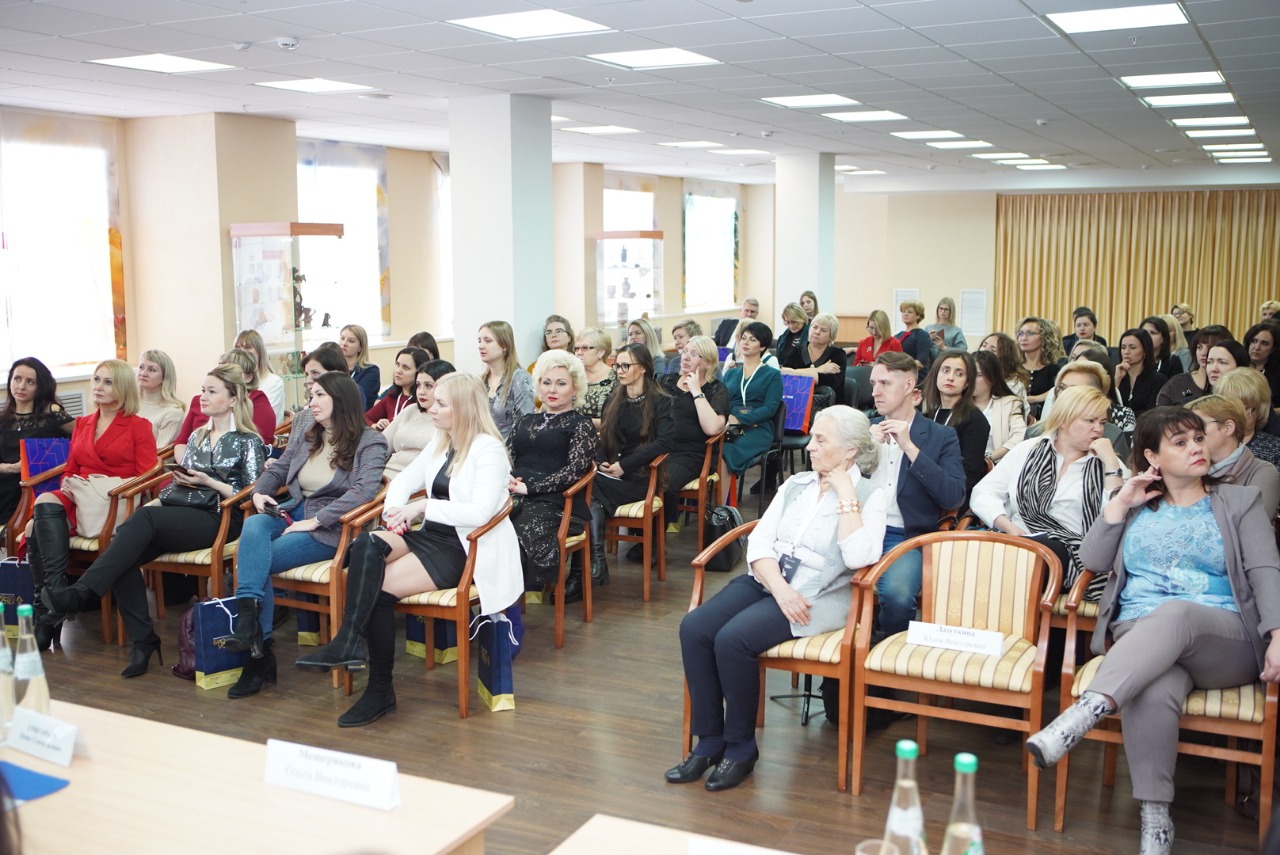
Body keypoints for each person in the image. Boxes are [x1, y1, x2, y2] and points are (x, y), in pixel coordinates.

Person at [1027, 406, 1280, 855]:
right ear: (1152, 456)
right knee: (1152, 688)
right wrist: (1120, 502)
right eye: (1180, 443)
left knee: (1177, 612)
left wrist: (1278, 632)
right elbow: (1093, 561)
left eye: (1198, 438)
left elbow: (1265, 569)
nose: (1196, 448)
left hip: (1224, 639)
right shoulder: (1138, 503)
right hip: (1143, 641)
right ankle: (1155, 821)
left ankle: (1084, 713)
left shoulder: (1238, 501)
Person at [670, 406, 888, 791]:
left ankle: (740, 748)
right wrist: (780, 588)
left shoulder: (871, 496)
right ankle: (709, 741)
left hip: (818, 595)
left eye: (820, 439)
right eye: (812, 437)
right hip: (772, 582)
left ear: (851, 450)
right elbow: (759, 542)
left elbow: (858, 558)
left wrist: (845, 495)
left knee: (733, 639)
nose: (809, 446)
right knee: (695, 627)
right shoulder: (796, 485)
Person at [295, 373, 522, 728]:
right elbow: (402, 481)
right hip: (432, 535)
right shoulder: (442, 441)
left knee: (377, 588)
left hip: (465, 546)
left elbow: (479, 513)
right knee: (367, 543)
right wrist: (393, 514)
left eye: (441, 403)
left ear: (463, 408)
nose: (431, 407)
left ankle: (377, 687)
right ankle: (349, 643)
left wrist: (421, 507)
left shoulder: (488, 449)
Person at [38, 363, 265, 676]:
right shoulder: (198, 436)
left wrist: (208, 482)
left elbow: (251, 493)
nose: (202, 396)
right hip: (184, 511)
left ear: (233, 399)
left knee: (141, 522)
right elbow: (181, 485)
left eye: (212, 391)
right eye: (202, 390)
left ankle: (80, 594)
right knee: (123, 553)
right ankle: (142, 640)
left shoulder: (248, 440)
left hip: (221, 517)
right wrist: (173, 489)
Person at [226, 371, 387, 699]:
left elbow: (364, 491)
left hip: (331, 528)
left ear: (340, 400)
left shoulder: (370, 441)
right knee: (254, 525)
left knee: (254, 560)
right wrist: (260, 493)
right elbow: (280, 467)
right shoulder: (308, 431)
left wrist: (316, 521)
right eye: (311, 395)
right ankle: (251, 628)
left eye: (319, 396)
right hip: (293, 511)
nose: (311, 402)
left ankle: (257, 652)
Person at [23, 359, 158, 650]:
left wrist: (126, 492)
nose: (98, 386)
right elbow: (71, 467)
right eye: (97, 379)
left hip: (114, 499)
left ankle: (50, 613)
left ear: (122, 388)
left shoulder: (138, 426)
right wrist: (68, 484)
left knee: (35, 528)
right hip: (81, 494)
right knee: (42, 506)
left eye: (108, 382)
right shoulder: (83, 423)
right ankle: (56, 598)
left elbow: (149, 474)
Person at [971, 385, 1128, 598]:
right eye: (1090, 421)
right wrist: (1008, 527)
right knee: (967, 551)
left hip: (1071, 551)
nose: (1098, 429)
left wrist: (1110, 462)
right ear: (1063, 420)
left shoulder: (1110, 465)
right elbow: (983, 493)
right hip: (1015, 538)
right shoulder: (1027, 450)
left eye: (1102, 422)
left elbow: (1116, 518)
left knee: (1035, 553)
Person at [866, 352, 966, 643]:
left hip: (904, 536)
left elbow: (953, 497)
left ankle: (887, 656)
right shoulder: (864, 428)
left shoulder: (941, 436)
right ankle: (849, 655)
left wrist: (910, 448)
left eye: (885, 383)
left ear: (909, 385)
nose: (875, 391)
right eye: (873, 384)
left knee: (898, 596)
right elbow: (828, 482)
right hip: (855, 528)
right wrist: (863, 452)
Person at [507, 351, 599, 603]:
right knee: (484, 524)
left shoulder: (580, 424)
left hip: (558, 502)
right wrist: (507, 479)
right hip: (514, 493)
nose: (552, 389)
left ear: (575, 388)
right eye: (546, 382)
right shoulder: (525, 420)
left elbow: (574, 471)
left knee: (518, 529)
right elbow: (506, 457)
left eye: (561, 383)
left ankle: (513, 598)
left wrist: (531, 488)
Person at [588, 344, 673, 588]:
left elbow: (664, 442)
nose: (620, 371)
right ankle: (595, 561)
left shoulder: (661, 401)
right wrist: (602, 461)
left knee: (588, 490)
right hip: (612, 474)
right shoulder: (614, 399)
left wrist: (624, 466)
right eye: (617, 366)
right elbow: (602, 437)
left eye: (626, 366)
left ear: (643, 368)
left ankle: (594, 561)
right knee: (586, 485)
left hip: (642, 478)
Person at [660, 335, 730, 532]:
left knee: (664, 485)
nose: (686, 357)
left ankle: (654, 538)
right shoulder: (666, 382)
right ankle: (642, 533)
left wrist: (696, 391)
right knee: (635, 479)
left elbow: (712, 428)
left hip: (691, 454)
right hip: (660, 447)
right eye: (685, 352)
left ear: (708, 363)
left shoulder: (715, 389)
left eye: (694, 354)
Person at [0, 358, 73, 526]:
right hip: (5, 483)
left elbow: (84, 435)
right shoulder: (2, 421)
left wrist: (55, 409)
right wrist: (11, 467)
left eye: (30, 382)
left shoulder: (51, 416)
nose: (21, 386)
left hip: (37, 486)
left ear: (40, 387)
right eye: (17, 379)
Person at [1187, 395, 1280, 518]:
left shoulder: (1262, 471)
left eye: (1199, 426)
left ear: (1228, 427)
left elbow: (1253, 523)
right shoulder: (1190, 470)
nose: (1191, 435)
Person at [920, 350, 991, 502]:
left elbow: (969, 475)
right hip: (922, 489)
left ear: (967, 383)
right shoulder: (926, 416)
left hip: (951, 496)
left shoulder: (975, 420)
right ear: (936, 375)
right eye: (945, 371)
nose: (950, 377)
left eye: (959, 374)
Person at [1027, 360, 1132, 462]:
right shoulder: (1034, 433)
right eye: (1062, 388)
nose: (1064, 394)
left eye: (1074, 390)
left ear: (1094, 396)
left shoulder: (1113, 436)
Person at [721, 323, 784, 493]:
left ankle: (722, 505)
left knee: (725, 450)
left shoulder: (772, 375)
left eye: (752, 339)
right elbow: (721, 402)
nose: (746, 342)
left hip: (758, 428)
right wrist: (728, 419)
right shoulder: (731, 373)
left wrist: (740, 419)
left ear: (762, 346)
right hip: (729, 425)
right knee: (706, 447)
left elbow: (770, 408)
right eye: (743, 338)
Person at [174, 349, 276, 449]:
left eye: (233, 370)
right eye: (221, 369)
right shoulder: (199, 404)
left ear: (249, 377)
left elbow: (260, 444)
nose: (223, 375)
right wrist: (189, 460)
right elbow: (181, 442)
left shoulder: (257, 401)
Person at [381, 359, 455, 477]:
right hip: (384, 476)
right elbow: (380, 446)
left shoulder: (449, 419)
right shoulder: (410, 410)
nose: (421, 392)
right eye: (418, 385)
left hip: (417, 483)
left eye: (428, 386)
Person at [1213, 368, 1280, 469]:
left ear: (1259, 409)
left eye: (1243, 408)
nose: (1234, 414)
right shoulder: (1207, 441)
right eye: (1227, 407)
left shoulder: (1275, 448)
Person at [478, 320, 534, 441]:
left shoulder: (520, 379)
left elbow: (524, 426)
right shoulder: (480, 381)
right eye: (479, 341)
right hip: (483, 446)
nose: (481, 346)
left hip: (509, 448)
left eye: (488, 341)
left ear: (504, 346)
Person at [780, 313, 847, 408]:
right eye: (815, 327)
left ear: (831, 336)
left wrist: (794, 372)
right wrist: (818, 370)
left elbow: (831, 381)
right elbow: (784, 374)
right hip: (797, 403)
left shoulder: (838, 354)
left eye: (823, 330)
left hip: (831, 406)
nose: (817, 332)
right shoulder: (796, 351)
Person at [971, 349, 1025, 464]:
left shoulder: (1009, 403)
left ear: (992, 378)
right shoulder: (958, 403)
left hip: (996, 465)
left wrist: (988, 459)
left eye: (978, 375)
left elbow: (1020, 435)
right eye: (968, 374)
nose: (971, 380)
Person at [1156, 324, 1231, 407]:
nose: (1203, 353)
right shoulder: (1177, 383)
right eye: (1199, 347)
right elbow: (1159, 412)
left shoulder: (1233, 387)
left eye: (1210, 348)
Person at [364, 346, 430, 429]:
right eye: (397, 364)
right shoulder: (391, 397)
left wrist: (390, 423)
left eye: (406, 367)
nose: (398, 371)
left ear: (419, 372)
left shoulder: (423, 400)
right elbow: (364, 418)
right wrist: (375, 426)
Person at [135, 350, 185, 447]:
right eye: (141, 367)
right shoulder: (127, 403)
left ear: (164, 377)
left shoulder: (173, 413)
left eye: (152, 370)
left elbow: (160, 453)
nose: (143, 373)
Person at [235, 329, 286, 421]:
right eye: (237, 348)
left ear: (260, 352)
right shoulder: (231, 382)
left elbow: (265, 419)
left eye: (247, 347)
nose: (241, 352)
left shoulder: (274, 382)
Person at [1114, 328, 1167, 416]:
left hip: (1145, 424)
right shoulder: (1117, 375)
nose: (1126, 352)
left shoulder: (1157, 379)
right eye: (1123, 347)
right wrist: (1117, 380)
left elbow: (1153, 412)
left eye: (1133, 347)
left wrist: (1124, 417)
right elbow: (1107, 408)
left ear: (1145, 350)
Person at [1018, 316, 1064, 416]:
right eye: (1020, 333)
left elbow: (1058, 391)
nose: (1023, 338)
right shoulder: (1012, 367)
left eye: (1030, 333)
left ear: (1044, 337)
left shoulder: (1054, 370)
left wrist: (1033, 399)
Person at [573, 327, 615, 422]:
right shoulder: (572, 376)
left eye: (585, 348)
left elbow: (615, 421)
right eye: (576, 348)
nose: (579, 353)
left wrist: (577, 422)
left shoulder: (616, 378)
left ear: (601, 352)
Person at [980, 331, 1031, 405]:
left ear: (1004, 358)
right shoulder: (972, 373)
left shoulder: (1013, 385)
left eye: (993, 350)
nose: (984, 351)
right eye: (984, 345)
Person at [338, 324, 380, 410]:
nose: (344, 343)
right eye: (342, 338)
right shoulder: (332, 367)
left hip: (357, 416)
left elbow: (356, 401)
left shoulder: (371, 371)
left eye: (351, 341)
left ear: (360, 347)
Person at [1244, 320, 1280, 403]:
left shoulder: (1277, 374)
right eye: (1254, 341)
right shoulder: (1237, 366)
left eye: (1264, 343)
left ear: (1273, 349)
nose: (1257, 347)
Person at [896, 300, 933, 377]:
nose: (905, 314)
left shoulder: (922, 335)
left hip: (915, 377)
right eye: (903, 311)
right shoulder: (898, 335)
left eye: (909, 312)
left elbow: (921, 363)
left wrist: (898, 365)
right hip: (898, 375)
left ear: (918, 316)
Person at [774, 303, 809, 367]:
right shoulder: (782, 338)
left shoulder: (811, 337)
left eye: (794, 322)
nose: (791, 326)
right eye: (787, 322)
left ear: (802, 318)